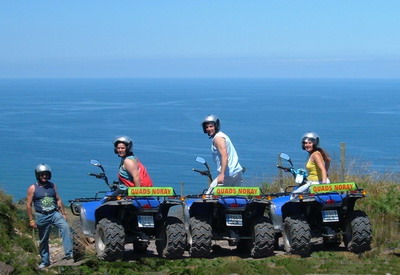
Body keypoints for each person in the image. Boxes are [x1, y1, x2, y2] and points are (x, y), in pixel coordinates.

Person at [26, 163, 73, 269]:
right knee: (43, 239)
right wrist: (31, 220)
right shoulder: (32, 188)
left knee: (65, 227)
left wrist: (63, 213)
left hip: (54, 213)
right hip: (41, 216)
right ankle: (45, 261)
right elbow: (28, 205)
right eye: (42, 174)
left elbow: (58, 200)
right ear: (38, 175)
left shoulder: (52, 186)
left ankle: (69, 253)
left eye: (46, 174)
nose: (44, 176)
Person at [201, 115, 243, 194]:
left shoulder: (218, 138)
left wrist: (222, 174)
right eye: (207, 127)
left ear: (216, 126)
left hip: (228, 174)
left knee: (209, 196)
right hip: (237, 172)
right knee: (233, 197)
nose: (209, 129)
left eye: (211, 126)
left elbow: (224, 156)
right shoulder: (222, 136)